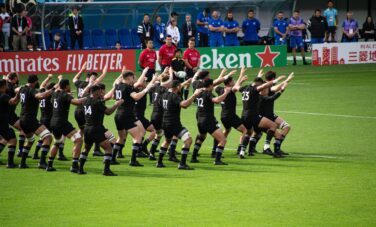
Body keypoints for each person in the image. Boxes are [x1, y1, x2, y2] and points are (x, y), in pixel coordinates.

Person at [111, 69, 157, 166]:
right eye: (133, 78)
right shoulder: (128, 87)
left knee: (121, 137)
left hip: (118, 114)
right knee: (138, 137)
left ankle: (112, 158)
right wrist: (146, 89)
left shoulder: (117, 86)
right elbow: (136, 97)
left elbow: (113, 97)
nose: (134, 80)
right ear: (128, 78)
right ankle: (133, 160)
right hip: (126, 115)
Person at [236, 74, 287, 158]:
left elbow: (237, 86)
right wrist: (276, 80)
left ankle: (241, 153)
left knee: (248, 133)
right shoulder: (254, 89)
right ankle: (266, 146)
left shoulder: (244, 89)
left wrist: (241, 80)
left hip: (244, 115)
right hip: (253, 115)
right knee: (273, 125)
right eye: (261, 84)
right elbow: (265, 85)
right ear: (258, 84)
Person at [157, 80, 203, 169]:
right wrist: (194, 95)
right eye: (180, 86)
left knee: (167, 141)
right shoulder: (175, 96)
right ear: (177, 87)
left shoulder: (163, 95)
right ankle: (182, 164)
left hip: (164, 122)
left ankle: (159, 162)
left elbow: (159, 105)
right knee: (188, 140)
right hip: (173, 123)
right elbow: (184, 105)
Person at [79, 84, 123, 176]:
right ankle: (106, 170)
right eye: (100, 91)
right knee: (108, 148)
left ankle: (80, 169)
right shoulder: (97, 102)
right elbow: (108, 112)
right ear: (95, 92)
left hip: (87, 128)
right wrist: (116, 105)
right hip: (96, 128)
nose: (101, 93)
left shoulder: (85, 100)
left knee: (86, 148)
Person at [48, 79, 87, 172]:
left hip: (53, 122)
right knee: (78, 140)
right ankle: (74, 165)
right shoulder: (64, 95)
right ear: (66, 86)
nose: (70, 87)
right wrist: (87, 98)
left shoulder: (54, 94)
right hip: (62, 122)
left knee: (57, 142)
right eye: (69, 85)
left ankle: (49, 165)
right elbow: (77, 102)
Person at [191, 78, 231, 165]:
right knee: (222, 140)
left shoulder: (198, 93)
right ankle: (217, 160)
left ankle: (193, 157)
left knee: (201, 137)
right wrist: (226, 93)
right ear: (210, 85)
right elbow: (217, 100)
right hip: (208, 120)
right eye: (212, 85)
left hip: (200, 120)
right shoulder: (207, 93)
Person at [18, 74, 54, 169]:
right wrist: (52, 90)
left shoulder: (22, 89)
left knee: (30, 140)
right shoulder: (31, 90)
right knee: (48, 137)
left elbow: (16, 91)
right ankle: (42, 162)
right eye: (37, 81)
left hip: (22, 119)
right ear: (35, 82)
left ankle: (22, 163)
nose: (38, 83)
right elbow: (41, 96)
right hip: (30, 119)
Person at [73, 63, 107, 157]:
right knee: (95, 127)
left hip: (78, 110)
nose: (96, 79)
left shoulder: (79, 83)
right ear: (91, 78)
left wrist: (82, 69)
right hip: (86, 110)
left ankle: (77, 143)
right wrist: (104, 72)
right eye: (94, 77)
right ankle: (95, 149)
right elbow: (100, 79)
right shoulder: (92, 85)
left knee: (82, 130)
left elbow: (74, 79)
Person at [214, 68, 249, 159]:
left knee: (227, 130)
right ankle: (240, 149)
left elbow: (215, 84)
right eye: (232, 80)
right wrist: (241, 74)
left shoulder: (220, 89)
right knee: (245, 130)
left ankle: (215, 149)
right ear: (229, 83)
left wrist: (221, 74)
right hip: (231, 116)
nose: (233, 81)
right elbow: (236, 86)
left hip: (223, 116)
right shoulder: (229, 90)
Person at [33, 75, 68, 161]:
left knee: (43, 137)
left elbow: (42, 85)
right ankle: (60, 154)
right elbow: (57, 87)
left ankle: (35, 153)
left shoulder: (42, 92)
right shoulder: (50, 95)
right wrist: (60, 79)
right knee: (61, 136)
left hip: (42, 118)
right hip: (50, 119)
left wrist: (48, 78)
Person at [0, 79, 20, 168]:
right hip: (1, 122)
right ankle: (10, 163)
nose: (8, 86)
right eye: (6, 85)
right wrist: (19, 94)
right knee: (12, 138)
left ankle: (10, 162)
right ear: (3, 86)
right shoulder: (3, 96)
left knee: (5, 139)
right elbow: (13, 102)